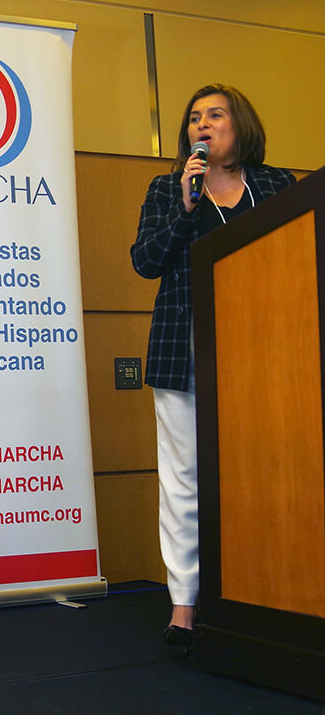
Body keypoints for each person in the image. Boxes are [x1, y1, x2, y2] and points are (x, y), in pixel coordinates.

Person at [130, 84, 294, 646]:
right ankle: (184, 607)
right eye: (194, 117)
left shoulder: (275, 185)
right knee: (184, 482)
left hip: (267, 357)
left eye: (215, 114)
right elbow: (146, 263)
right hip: (185, 351)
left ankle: (270, 591)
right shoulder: (167, 188)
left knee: (267, 471)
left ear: (239, 124)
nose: (202, 124)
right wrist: (185, 205)